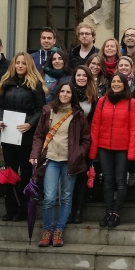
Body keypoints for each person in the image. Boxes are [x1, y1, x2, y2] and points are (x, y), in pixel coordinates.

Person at [30, 82, 91, 247]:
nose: (65, 94)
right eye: (62, 91)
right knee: (49, 197)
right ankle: (48, 230)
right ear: (57, 93)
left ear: (72, 95)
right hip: (51, 159)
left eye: (68, 92)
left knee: (66, 197)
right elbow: (38, 136)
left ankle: (59, 230)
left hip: (70, 161)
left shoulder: (78, 115)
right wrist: (34, 154)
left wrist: (80, 153)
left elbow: (86, 139)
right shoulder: (48, 111)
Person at [0, 52, 48, 221]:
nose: (20, 66)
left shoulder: (35, 85)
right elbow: (0, 107)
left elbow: (41, 110)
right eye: (17, 63)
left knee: (25, 172)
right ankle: (9, 209)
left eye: (23, 63)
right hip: (9, 133)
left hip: (26, 135)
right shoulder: (6, 84)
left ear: (29, 66)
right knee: (9, 171)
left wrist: (30, 124)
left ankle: (22, 209)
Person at [88, 72, 135, 228]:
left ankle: (117, 212)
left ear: (125, 84)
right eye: (114, 81)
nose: (116, 84)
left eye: (119, 82)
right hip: (104, 148)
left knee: (121, 182)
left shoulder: (132, 102)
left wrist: (131, 152)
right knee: (108, 182)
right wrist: (93, 150)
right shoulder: (102, 101)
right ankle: (108, 211)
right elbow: (95, 126)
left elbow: (134, 128)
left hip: (122, 148)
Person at [67, 65, 98, 224]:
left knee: (81, 177)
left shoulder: (92, 96)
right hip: (67, 140)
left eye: (84, 76)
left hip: (85, 140)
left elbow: (95, 119)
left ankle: (78, 210)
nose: (81, 78)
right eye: (78, 75)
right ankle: (68, 210)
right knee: (68, 176)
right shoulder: (66, 93)